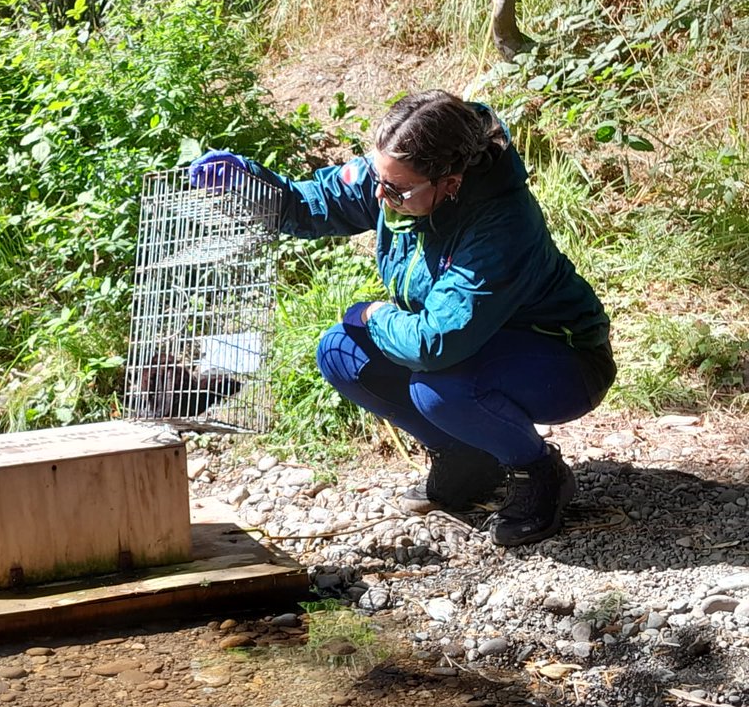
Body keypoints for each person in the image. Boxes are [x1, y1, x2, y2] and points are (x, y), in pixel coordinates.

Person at [189, 90, 616, 546]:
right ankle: (467, 457)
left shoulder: (501, 225)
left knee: (439, 388)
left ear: (450, 182)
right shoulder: (400, 180)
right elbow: (314, 202)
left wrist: (373, 315)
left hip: (561, 359)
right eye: (377, 177)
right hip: (471, 344)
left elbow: (434, 344)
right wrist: (251, 183)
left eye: (394, 189)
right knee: (341, 352)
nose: (379, 195)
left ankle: (538, 473)